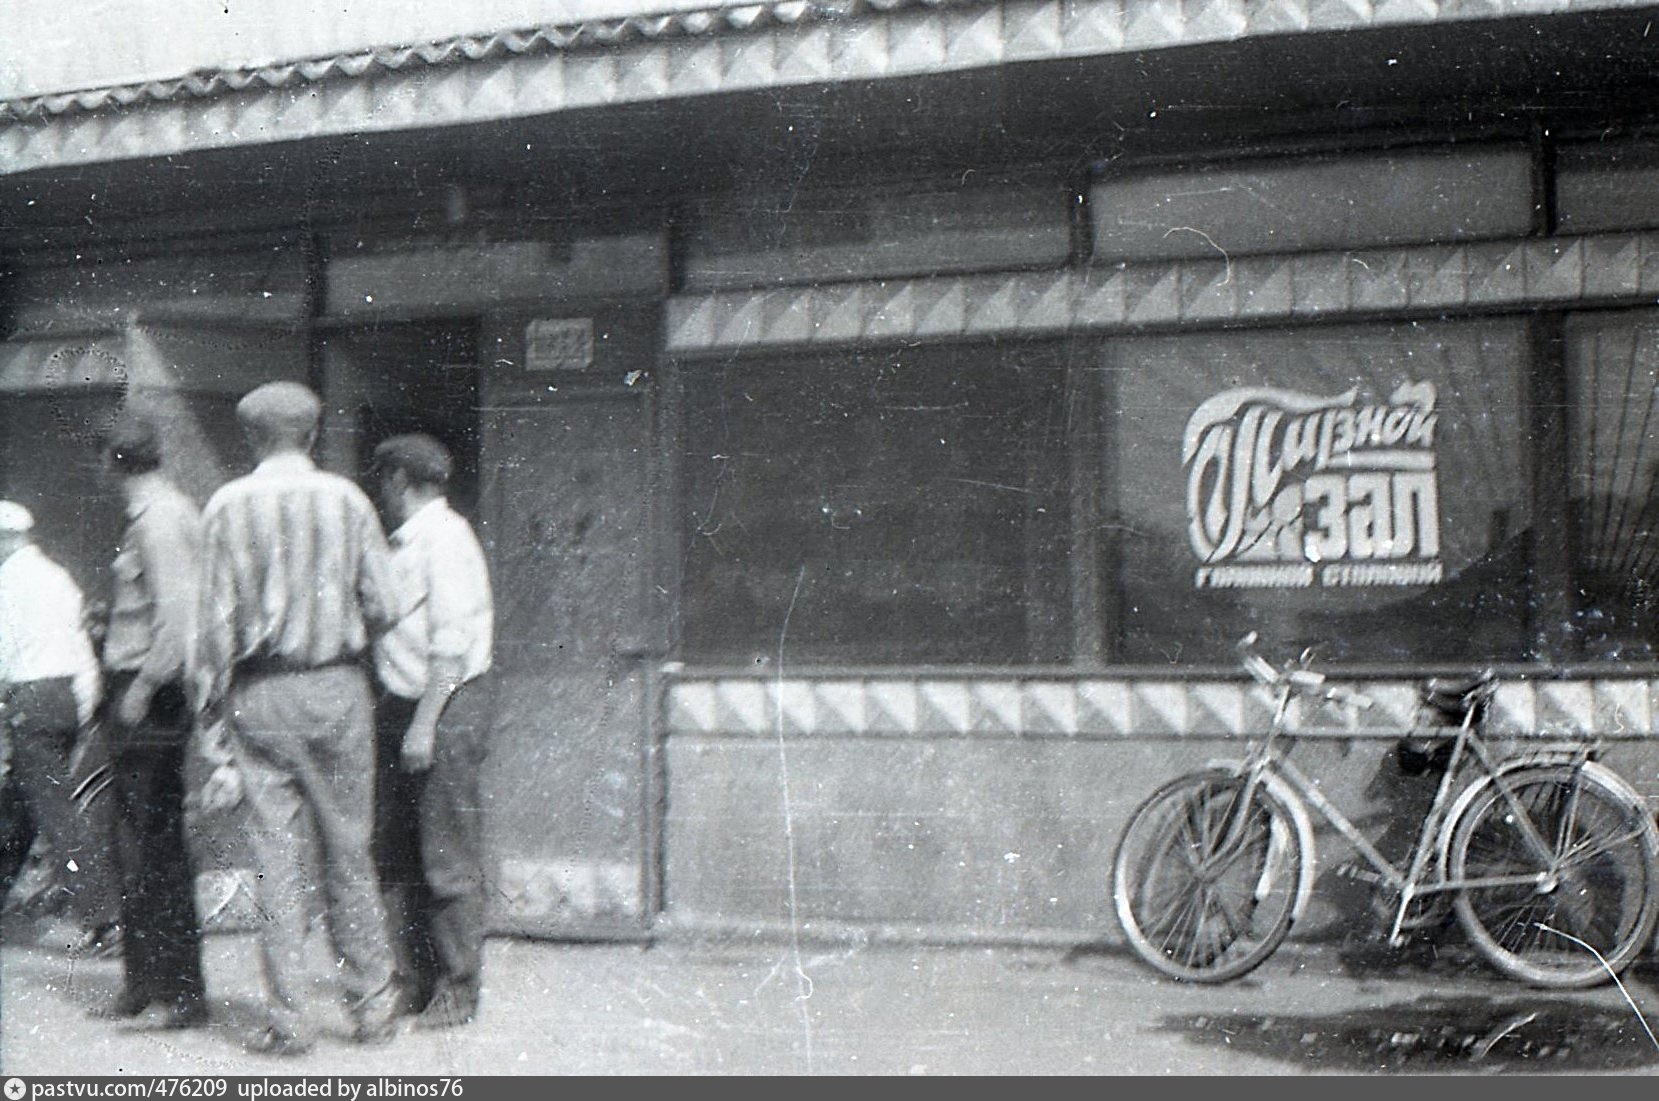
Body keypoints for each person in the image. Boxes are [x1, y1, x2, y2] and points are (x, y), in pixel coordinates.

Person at [189, 381, 404, 1056]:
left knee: (275, 861)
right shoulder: (348, 500)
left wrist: (211, 720)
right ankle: (372, 1006)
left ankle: (289, 1021)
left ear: (251, 437)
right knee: (350, 848)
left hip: (260, 692)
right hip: (337, 687)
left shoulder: (225, 506)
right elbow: (388, 602)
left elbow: (213, 629)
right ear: (311, 435)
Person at [370, 434, 494, 1030]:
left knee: (446, 856)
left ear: (398, 479)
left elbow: (451, 645)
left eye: (383, 479)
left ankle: (457, 987)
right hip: (403, 704)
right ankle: (412, 980)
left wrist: (423, 727)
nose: (381, 491)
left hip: (441, 707)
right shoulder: (408, 542)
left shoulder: (444, 540)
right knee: (398, 854)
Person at [95, 416, 207, 1028]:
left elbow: (178, 620)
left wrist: (140, 687)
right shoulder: (158, 516)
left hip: (149, 694)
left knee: (153, 844)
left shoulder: (160, 521)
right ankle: (144, 983)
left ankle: (174, 992)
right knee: (134, 837)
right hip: (141, 688)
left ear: (112, 462)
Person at [0, 501, 120, 951]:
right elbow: (81, 646)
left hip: (29, 698)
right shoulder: (57, 578)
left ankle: (104, 918)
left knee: (55, 812)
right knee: (20, 804)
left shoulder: (6, 584)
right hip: (66, 698)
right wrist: (85, 708)